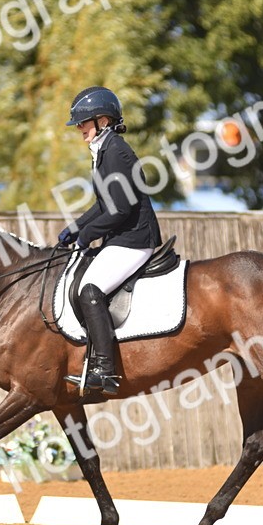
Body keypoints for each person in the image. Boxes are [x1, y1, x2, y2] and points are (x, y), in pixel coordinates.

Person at [57, 86, 163, 395]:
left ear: (103, 120)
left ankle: (104, 368)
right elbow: (103, 205)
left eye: (83, 122)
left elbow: (120, 209)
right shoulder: (103, 152)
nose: (79, 129)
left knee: (90, 290)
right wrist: (75, 228)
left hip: (135, 238)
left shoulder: (116, 151)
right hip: (122, 236)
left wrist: (87, 236)